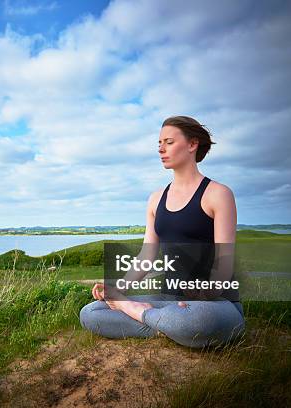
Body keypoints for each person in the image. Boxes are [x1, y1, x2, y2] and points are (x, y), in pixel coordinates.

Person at [79, 116, 246, 348]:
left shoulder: (218, 194)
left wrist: (203, 294)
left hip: (215, 304)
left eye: (168, 142)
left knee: (197, 321)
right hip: (168, 301)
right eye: (159, 143)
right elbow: (146, 257)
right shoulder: (156, 199)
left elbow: (225, 264)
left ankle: (145, 315)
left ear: (192, 144)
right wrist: (118, 290)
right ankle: (168, 326)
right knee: (91, 312)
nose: (161, 149)